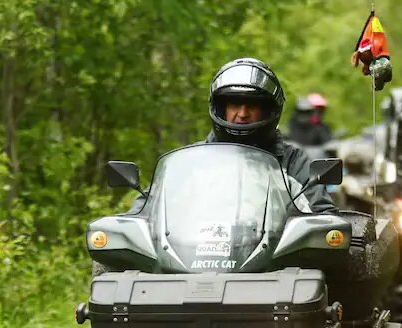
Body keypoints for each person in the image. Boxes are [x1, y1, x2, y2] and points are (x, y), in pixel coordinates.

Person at [131, 57, 335, 215]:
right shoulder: (192, 164)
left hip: (277, 264)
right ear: (221, 108)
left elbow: (324, 217)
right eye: (234, 104)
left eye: (252, 105)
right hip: (192, 261)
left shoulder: (293, 163)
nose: (243, 113)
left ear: (268, 110)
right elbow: (146, 212)